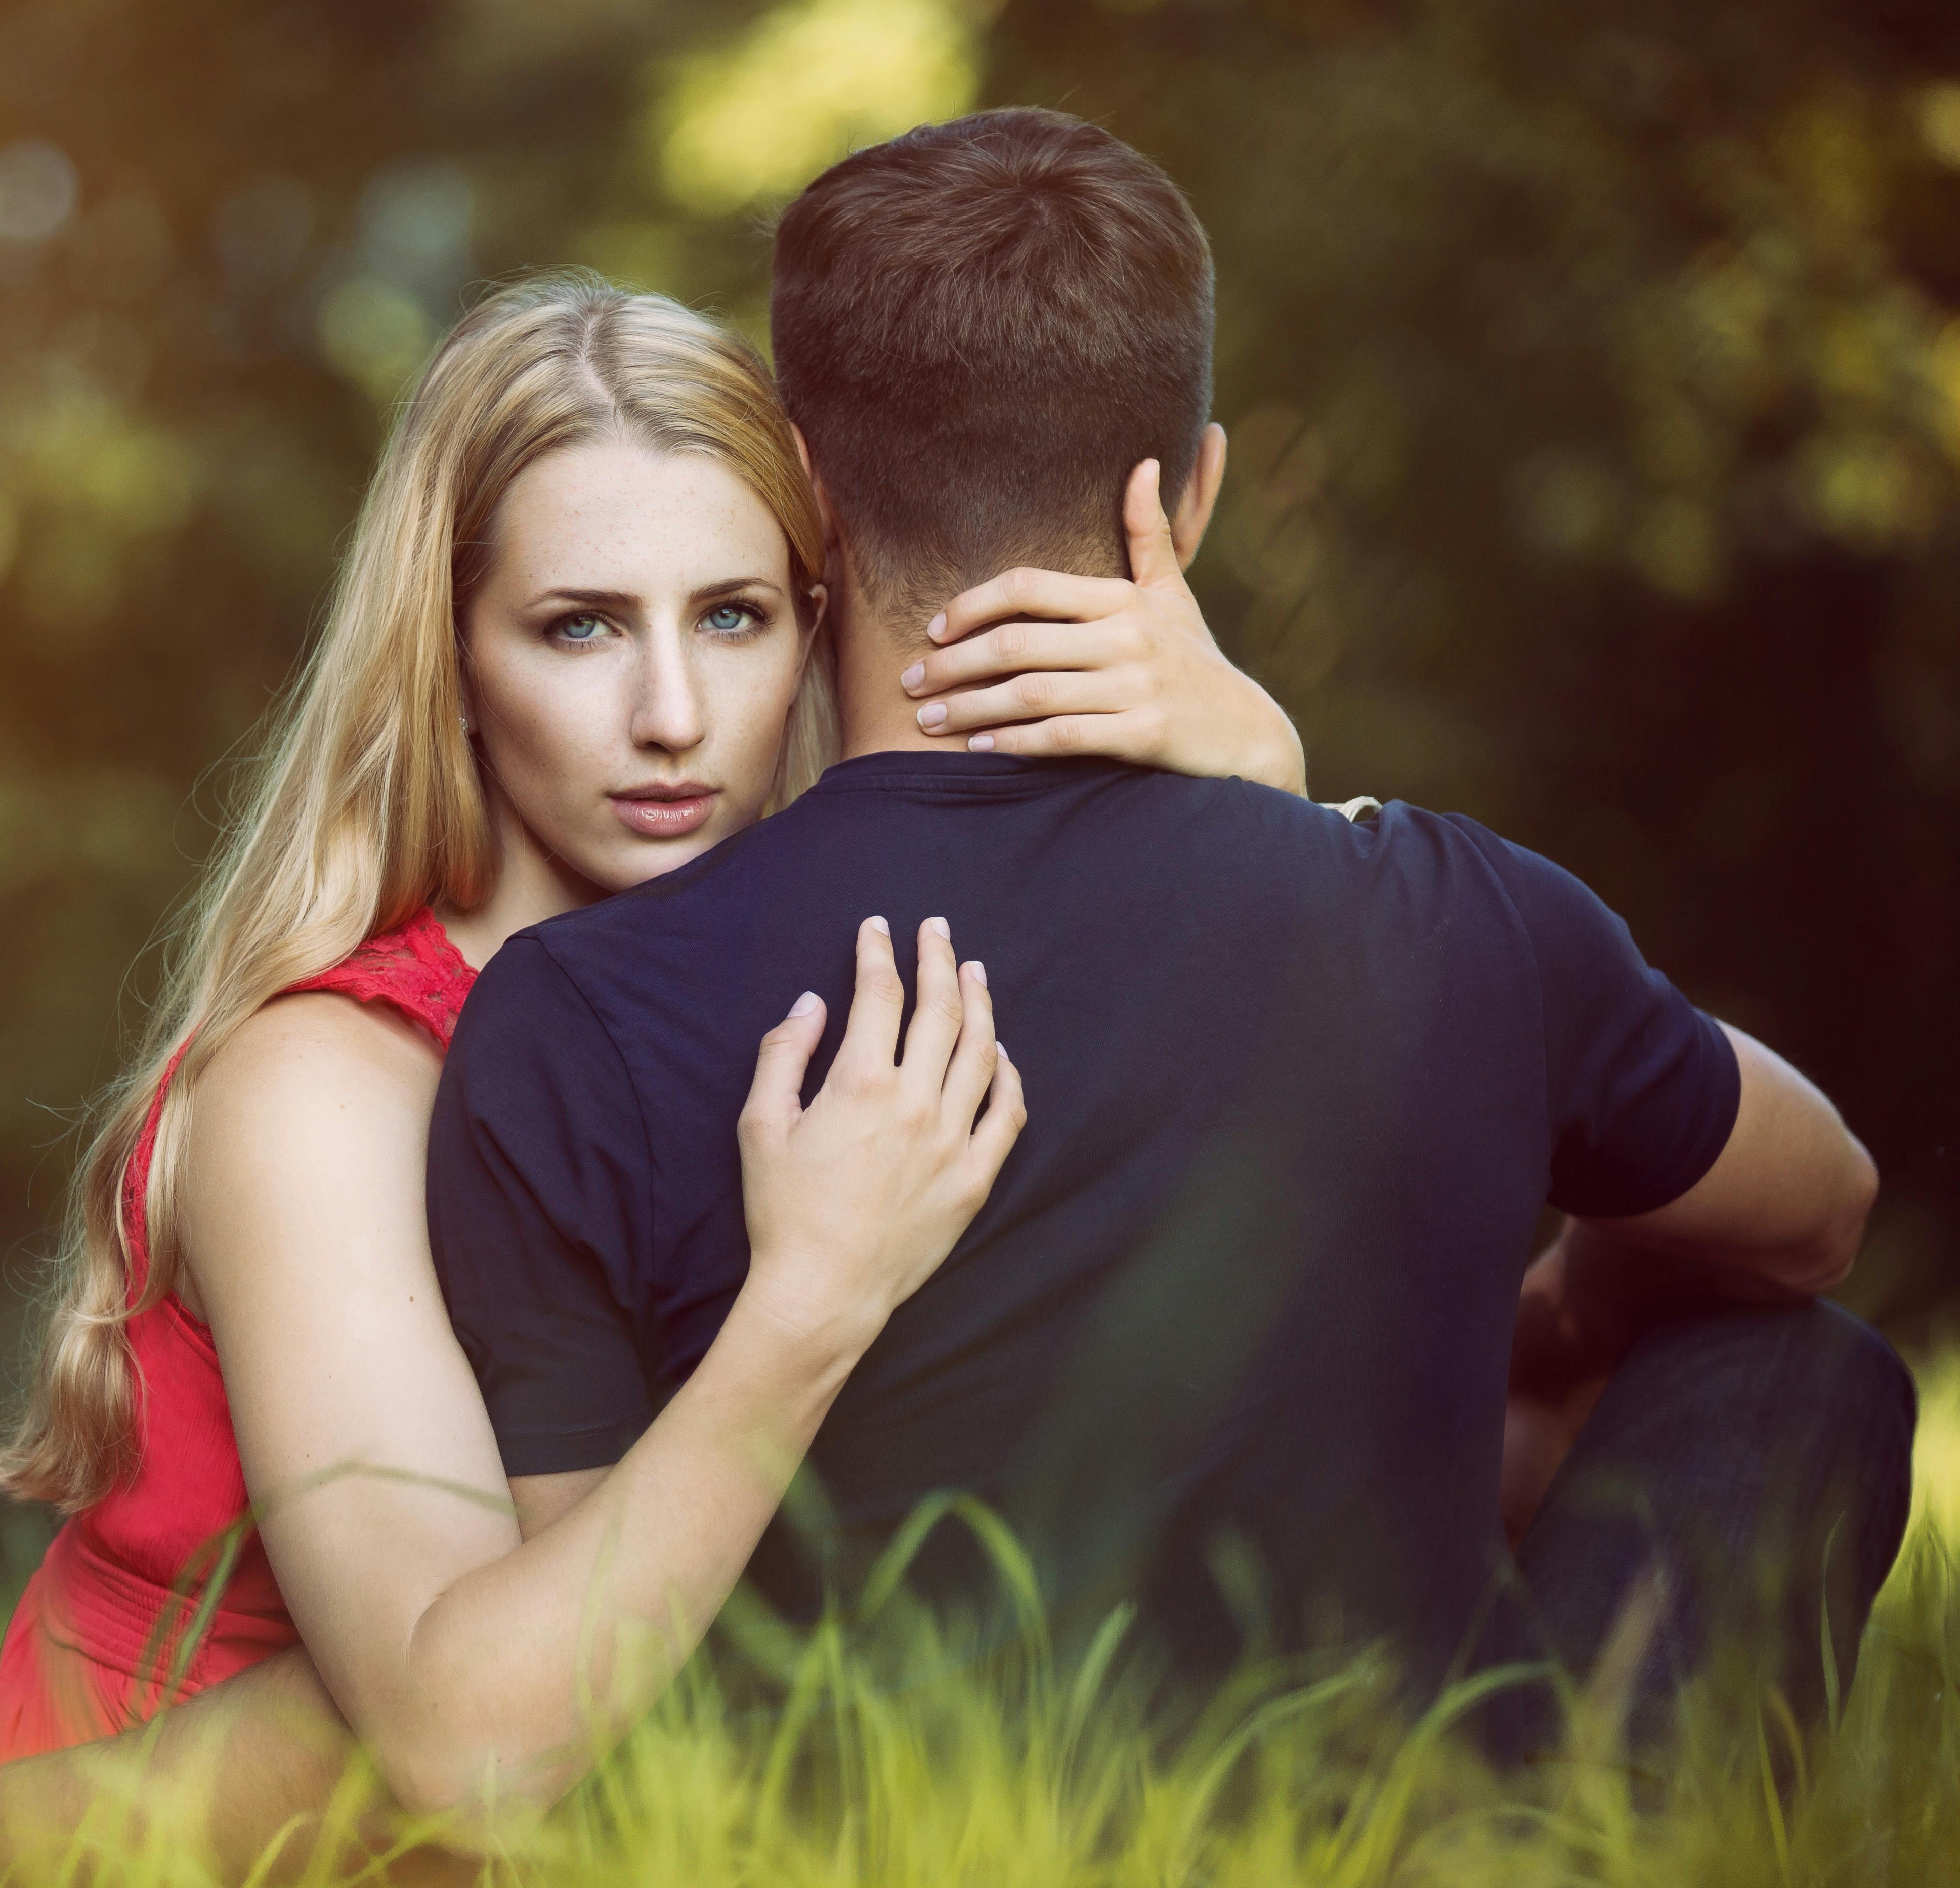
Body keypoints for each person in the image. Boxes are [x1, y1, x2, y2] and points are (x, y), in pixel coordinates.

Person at [425, 108, 1912, 1764]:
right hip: (1427, 1840)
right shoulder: (1454, 915)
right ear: (1189, 498)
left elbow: (578, 1734)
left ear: (806, 496)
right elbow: (1817, 1206)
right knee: (1798, 1365)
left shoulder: (568, 1016)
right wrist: (1566, 1303)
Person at [0, 271, 1312, 1869]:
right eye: (579, 627)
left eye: (732, 616)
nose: (670, 717)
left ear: (818, 618)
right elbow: (454, 1741)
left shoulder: (824, 992)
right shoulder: (327, 1091)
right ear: (451, 656)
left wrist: (1260, 797)